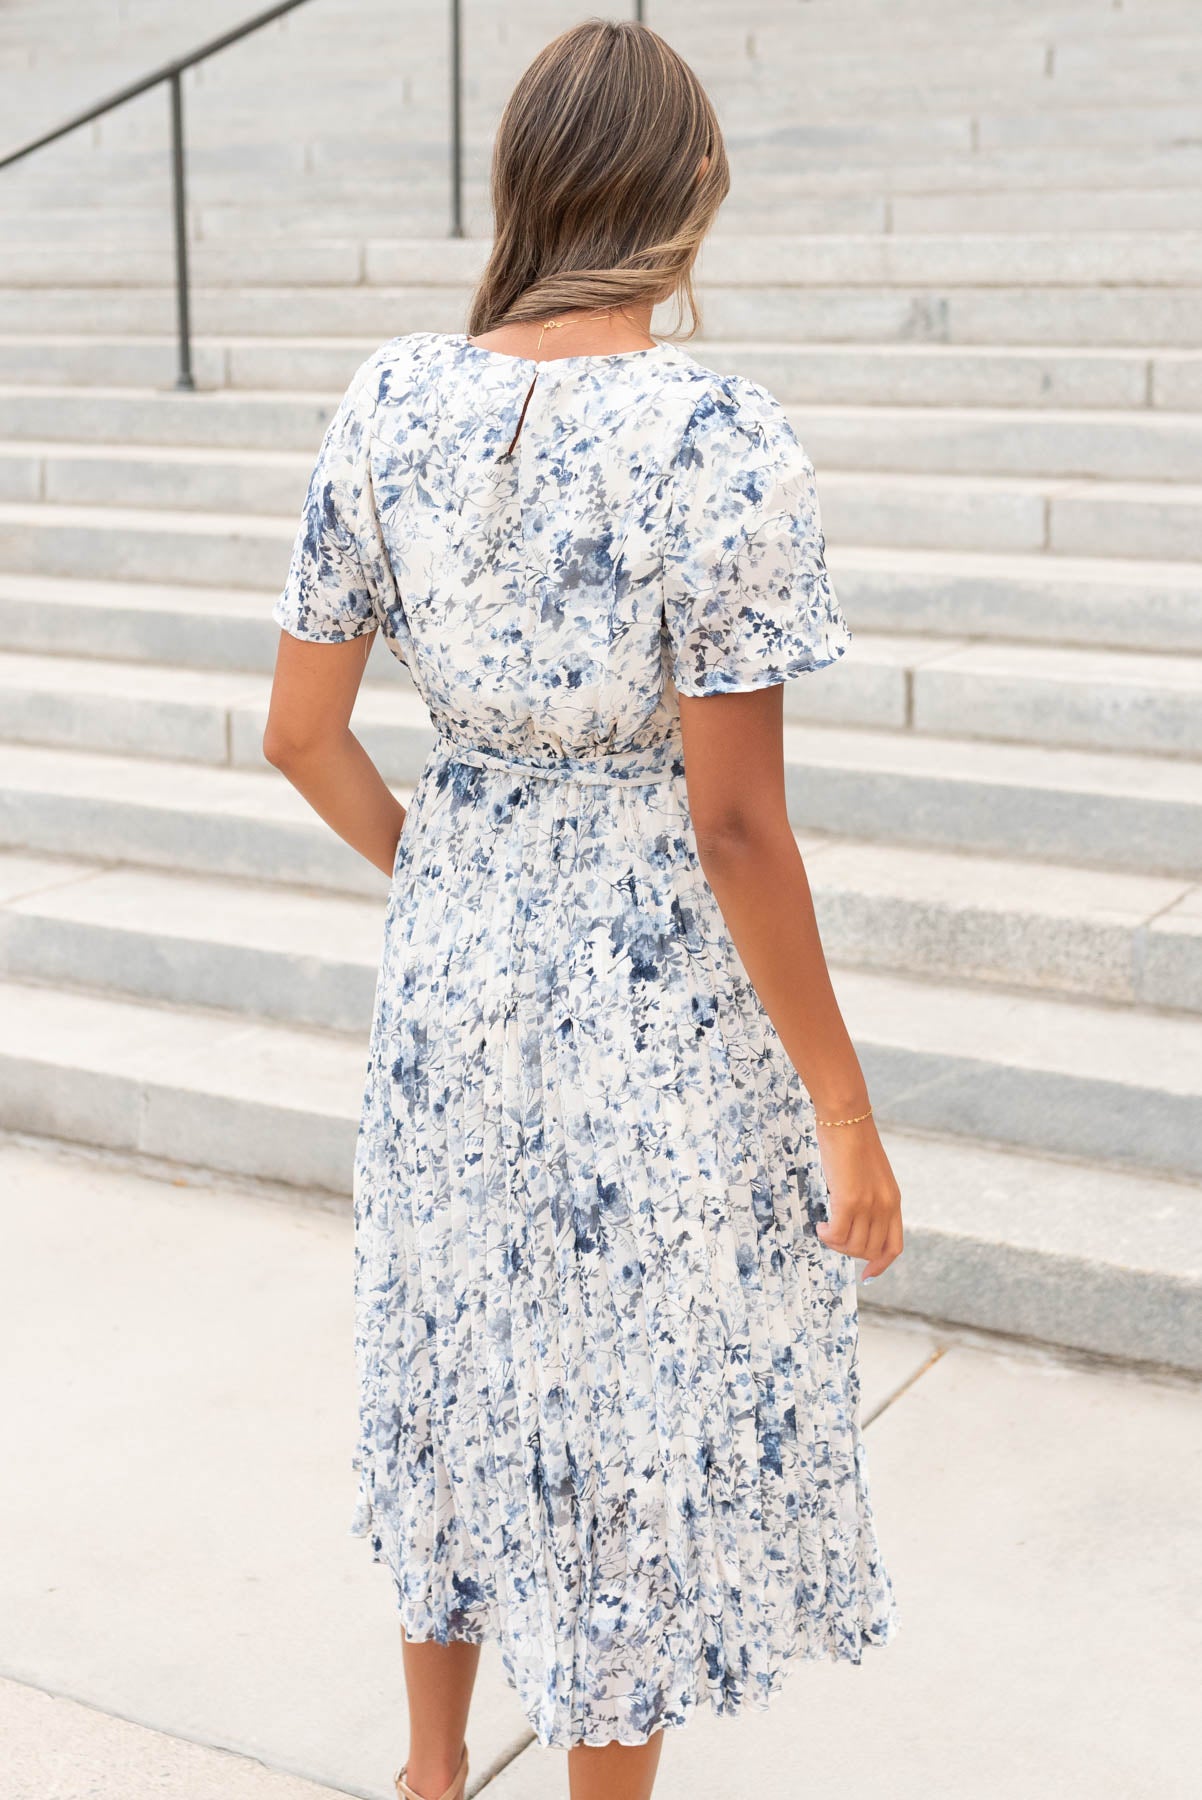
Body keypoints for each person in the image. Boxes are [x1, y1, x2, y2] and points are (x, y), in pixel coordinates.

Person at [263, 18, 902, 1800]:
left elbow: (298, 737)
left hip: (448, 976)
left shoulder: (386, 399)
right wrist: (842, 1114)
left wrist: (458, 877)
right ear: (686, 194)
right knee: (625, 1403)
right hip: (651, 1008)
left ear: (522, 187)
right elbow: (735, 823)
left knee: (455, 1351)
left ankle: (426, 1770)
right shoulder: (715, 436)